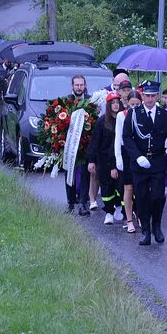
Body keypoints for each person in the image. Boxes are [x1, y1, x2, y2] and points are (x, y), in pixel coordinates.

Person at [122, 81, 167, 246]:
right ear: (142, 96)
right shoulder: (134, 113)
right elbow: (127, 137)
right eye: (147, 96)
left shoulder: (164, 114)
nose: (150, 99)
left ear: (157, 96)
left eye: (153, 96)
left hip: (157, 161)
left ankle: (157, 226)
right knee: (141, 197)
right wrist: (137, 157)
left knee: (158, 196)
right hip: (140, 163)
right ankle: (145, 230)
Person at [88, 92, 125, 225]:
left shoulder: (124, 119)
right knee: (106, 187)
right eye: (113, 103)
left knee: (121, 186)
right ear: (108, 105)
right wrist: (91, 160)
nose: (115, 105)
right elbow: (95, 141)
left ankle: (120, 207)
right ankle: (108, 212)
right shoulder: (102, 121)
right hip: (104, 161)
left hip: (120, 160)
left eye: (117, 102)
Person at [62, 74, 91, 215]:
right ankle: (71, 203)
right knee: (69, 173)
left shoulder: (90, 101)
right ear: (72, 86)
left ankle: (83, 203)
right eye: (76, 85)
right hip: (69, 144)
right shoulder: (66, 101)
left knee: (85, 174)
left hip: (85, 144)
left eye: (81, 85)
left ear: (85, 86)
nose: (79, 87)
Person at [115, 90, 142, 233]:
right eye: (132, 104)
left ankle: (141, 215)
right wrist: (118, 157)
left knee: (141, 188)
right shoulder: (122, 115)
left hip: (141, 153)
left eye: (137, 104)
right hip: (126, 153)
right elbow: (118, 137)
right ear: (127, 103)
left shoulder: (144, 114)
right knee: (128, 188)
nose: (135, 107)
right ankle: (129, 219)